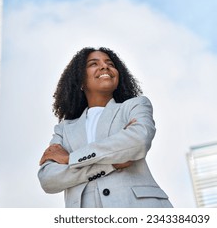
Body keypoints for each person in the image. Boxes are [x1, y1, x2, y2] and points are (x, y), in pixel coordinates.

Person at [38, 47, 173, 208]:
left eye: (109, 63)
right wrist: (110, 164)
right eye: (93, 64)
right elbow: (49, 179)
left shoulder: (134, 106)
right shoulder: (64, 129)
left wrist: (70, 159)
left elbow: (138, 141)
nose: (104, 66)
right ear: (80, 80)